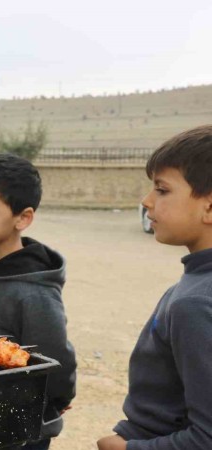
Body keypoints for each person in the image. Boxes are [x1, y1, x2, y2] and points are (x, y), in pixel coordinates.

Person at [0, 154, 76, 450]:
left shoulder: (33, 290)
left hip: (16, 430)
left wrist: (56, 399)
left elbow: (56, 355)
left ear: (23, 217)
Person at [97, 125, 212, 450]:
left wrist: (125, 448)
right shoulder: (196, 285)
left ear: (209, 207)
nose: (146, 202)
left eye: (162, 190)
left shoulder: (196, 304)